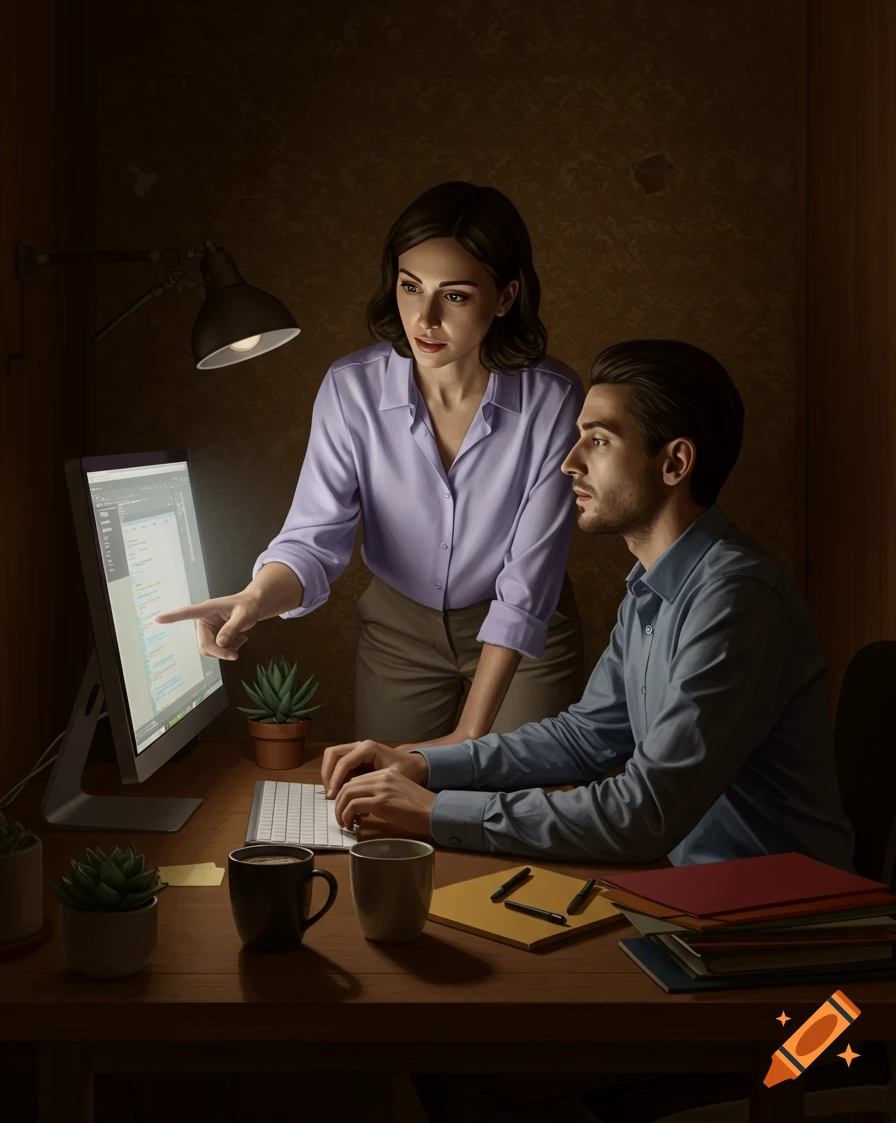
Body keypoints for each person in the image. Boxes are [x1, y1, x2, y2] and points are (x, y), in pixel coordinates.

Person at [318, 337, 855, 1123]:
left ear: (674, 464)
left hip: (772, 959)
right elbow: (582, 738)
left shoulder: (734, 602)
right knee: (448, 1023)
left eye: (597, 441)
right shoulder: (658, 585)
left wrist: (433, 817)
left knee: (466, 1061)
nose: (568, 461)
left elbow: (642, 815)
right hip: (693, 907)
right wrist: (421, 764)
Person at [155, 181, 585, 744]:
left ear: (504, 298)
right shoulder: (349, 389)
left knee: (517, 809)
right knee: (383, 808)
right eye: (411, 287)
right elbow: (313, 539)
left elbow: (530, 578)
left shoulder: (554, 398)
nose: (424, 317)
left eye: (454, 295)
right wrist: (254, 600)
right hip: (398, 633)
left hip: (524, 638)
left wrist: (468, 739)